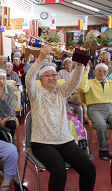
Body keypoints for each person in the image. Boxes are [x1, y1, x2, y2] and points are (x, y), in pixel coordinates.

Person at [26, 45, 96, 191]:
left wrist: (79, 64)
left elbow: (75, 81)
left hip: (65, 140)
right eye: (47, 75)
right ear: (41, 78)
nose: (51, 78)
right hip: (42, 143)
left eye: (54, 75)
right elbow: (28, 78)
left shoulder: (61, 91)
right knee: (59, 173)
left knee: (89, 169)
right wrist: (40, 59)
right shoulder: (35, 94)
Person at [79, 63, 112, 160]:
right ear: (94, 72)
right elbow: (82, 88)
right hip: (95, 109)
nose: (101, 73)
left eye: (104, 71)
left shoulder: (111, 83)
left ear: (107, 73)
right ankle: (104, 149)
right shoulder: (89, 82)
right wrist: (86, 71)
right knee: (101, 125)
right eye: (99, 71)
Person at [0, 69, 17, 139]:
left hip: (8, 116)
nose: (1, 81)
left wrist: (5, 119)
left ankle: (9, 141)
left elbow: (12, 107)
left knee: (12, 124)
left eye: (3, 78)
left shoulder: (10, 89)